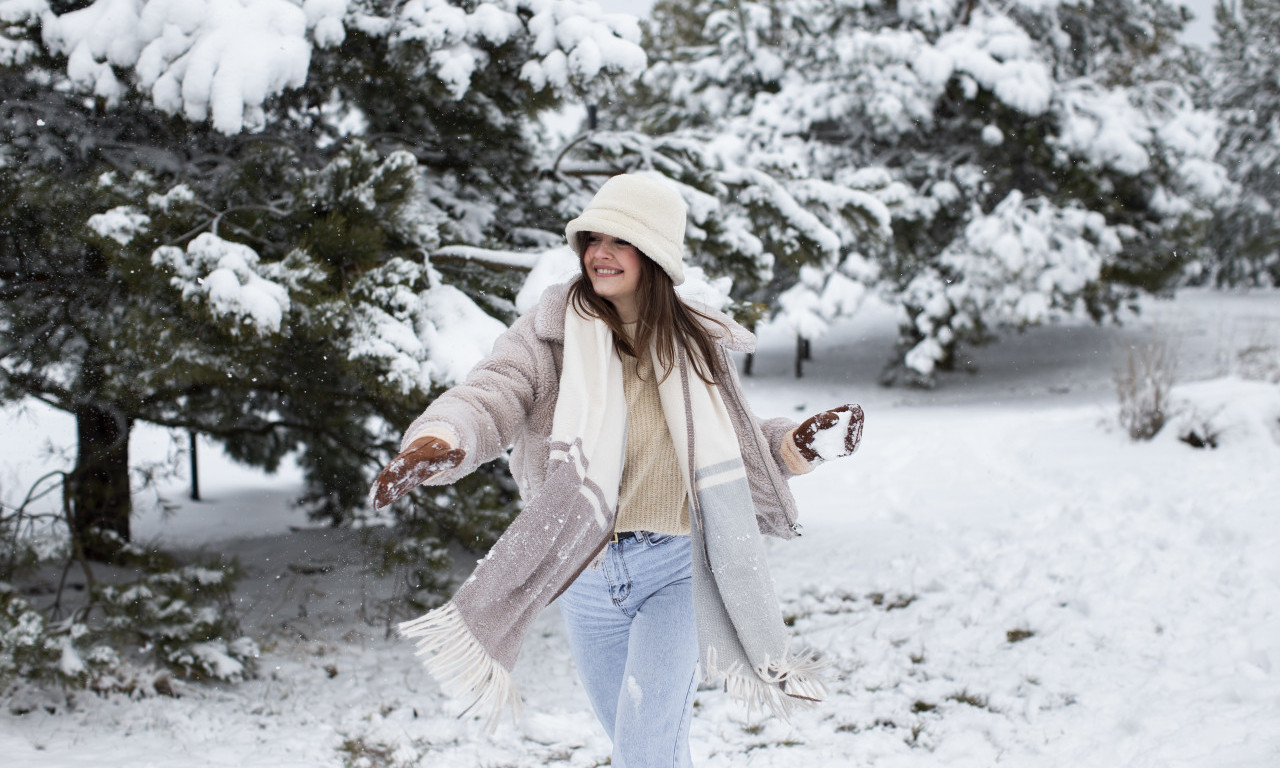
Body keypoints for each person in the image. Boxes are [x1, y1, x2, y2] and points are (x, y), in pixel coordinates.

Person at [369, 173, 863, 766]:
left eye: (619, 240)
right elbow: (492, 394)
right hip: (584, 570)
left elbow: (731, 443)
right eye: (591, 238)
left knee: (645, 750)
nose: (599, 254)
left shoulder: (694, 344)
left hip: (677, 567)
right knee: (642, 747)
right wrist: (442, 438)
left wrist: (795, 446)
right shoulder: (549, 335)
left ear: (653, 251)